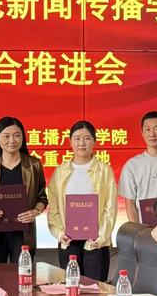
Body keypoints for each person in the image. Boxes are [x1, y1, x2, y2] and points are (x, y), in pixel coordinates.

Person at [47, 120, 117, 281]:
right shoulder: (61, 171)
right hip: (68, 240)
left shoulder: (104, 170)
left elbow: (110, 208)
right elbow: (54, 207)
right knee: (71, 288)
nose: (82, 143)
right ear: (70, 141)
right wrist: (59, 233)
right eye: (77, 138)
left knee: (95, 289)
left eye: (87, 138)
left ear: (94, 141)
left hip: (95, 241)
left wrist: (101, 236)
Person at [0, 116, 48, 263]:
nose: (12, 140)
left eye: (17, 135)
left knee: (21, 275)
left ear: (23, 138)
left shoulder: (34, 165)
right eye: (6, 136)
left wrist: (35, 212)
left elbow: (42, 198)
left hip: (23, 234)